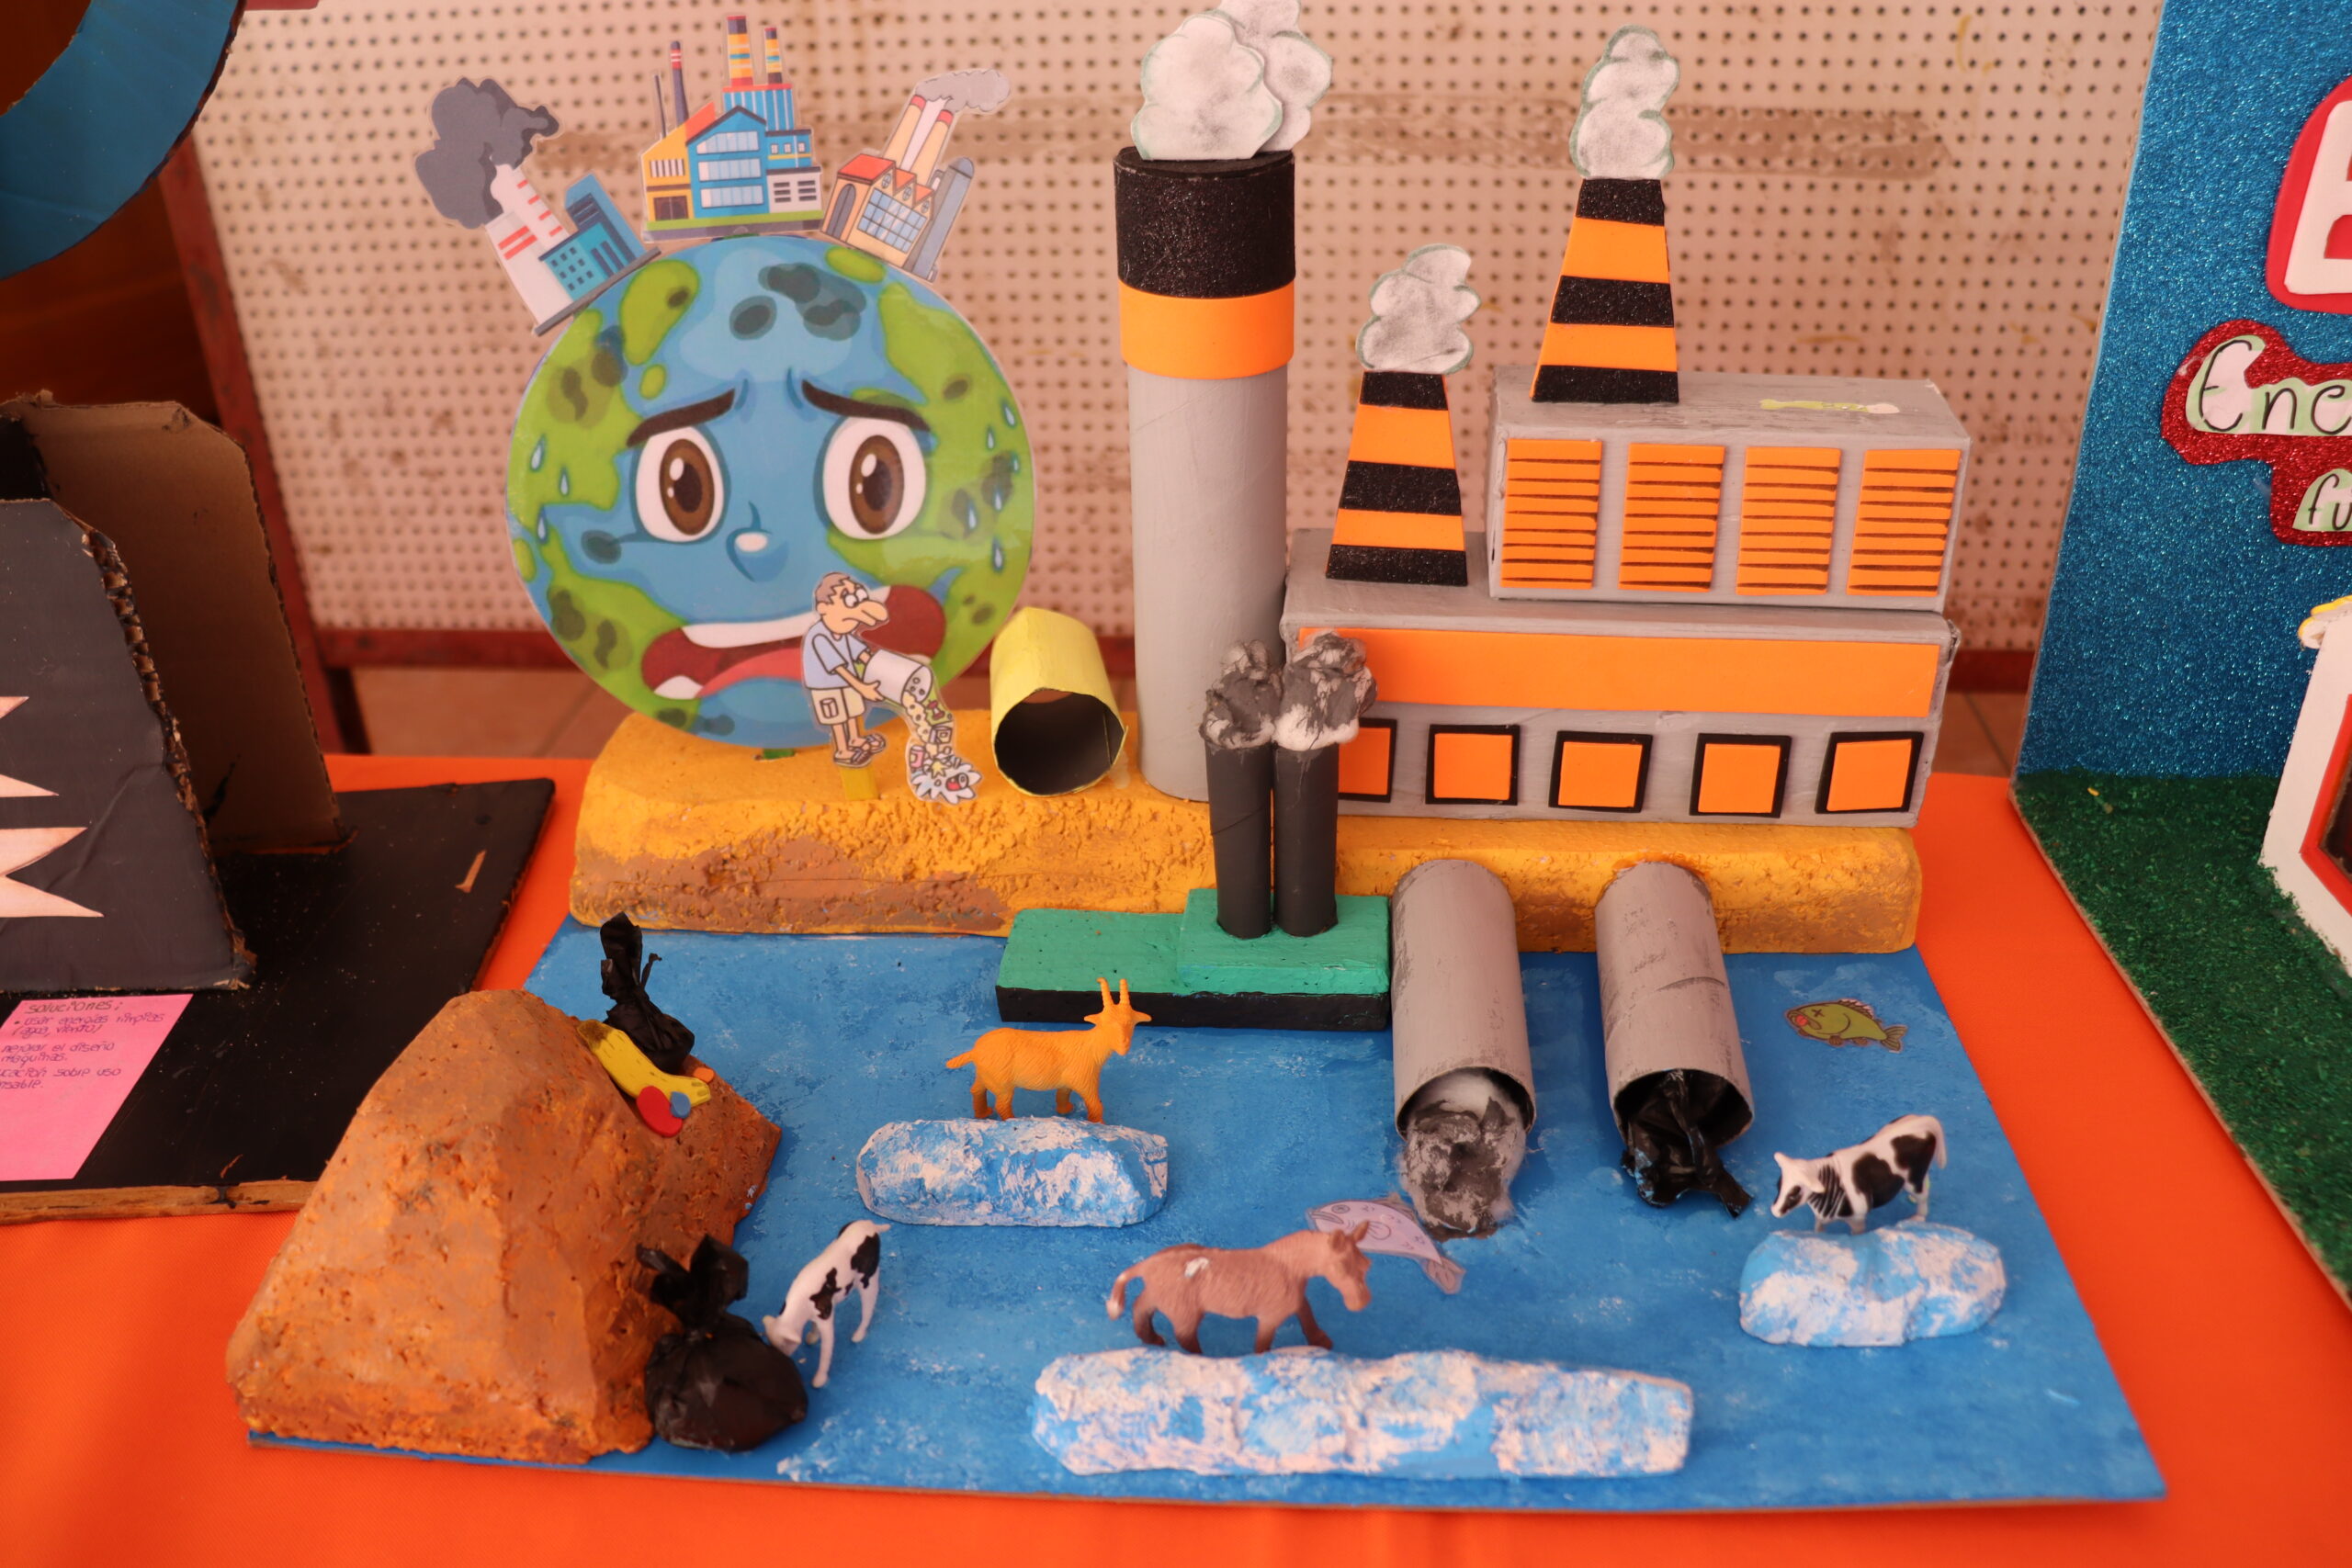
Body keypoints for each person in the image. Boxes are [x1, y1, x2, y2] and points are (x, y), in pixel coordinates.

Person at [803, 572, 890, 766]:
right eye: (848, 600)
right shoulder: (819, 635)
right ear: (823, 608)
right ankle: (842, 750)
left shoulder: (843, 633)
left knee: (853, 711)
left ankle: (855, 739)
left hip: (847, 683)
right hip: (827, 687)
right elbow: (838, 667)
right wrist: (862, 687)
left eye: (858, 597)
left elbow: (860, 653)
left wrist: (880, 667)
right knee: (837, 717)